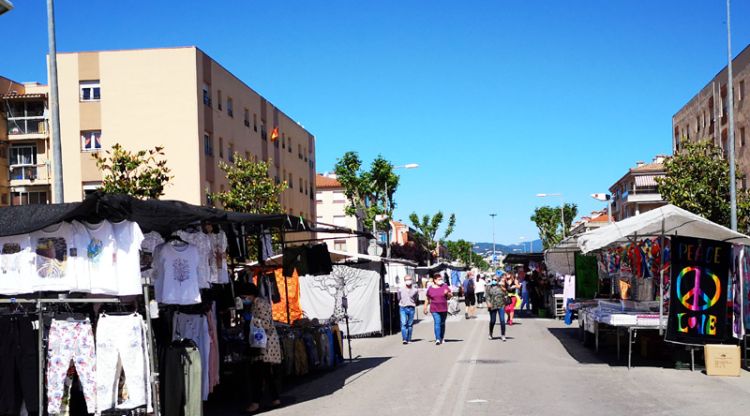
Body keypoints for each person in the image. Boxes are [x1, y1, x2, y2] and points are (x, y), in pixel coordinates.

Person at [238, 283, 283, 414]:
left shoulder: (260, 304)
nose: (243, 298)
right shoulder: (255, 304)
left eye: (244, 296)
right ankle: (275, 399)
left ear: (250, 294)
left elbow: (266, 324)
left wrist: (250, 320)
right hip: (260, 343)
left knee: (258, 373)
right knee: (265, 373)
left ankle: (256, 403)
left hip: (265, 344)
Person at [424, 273, 452, 345]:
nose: (441, 281)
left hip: (444, 308)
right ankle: (437, 339)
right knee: (437, 323)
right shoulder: (430, 288)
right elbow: (427, 299)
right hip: (434, 309)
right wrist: (425, 307)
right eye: (439, 279)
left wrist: (448, 294)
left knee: (442, 323)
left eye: (441, 279)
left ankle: (442, 337)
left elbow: (450, 296)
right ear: (435, 280)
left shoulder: (445, 286)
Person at [397, 275, 419, 344]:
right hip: (403, 307)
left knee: (410, 324)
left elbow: (416, 298)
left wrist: (413, 302)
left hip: (411, 307)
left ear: (412, 280)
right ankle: (404, 339)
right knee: (403, 323)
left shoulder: (415, 290)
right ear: (404, 281)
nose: (408, 281)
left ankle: (409, 339)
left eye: (409, 279)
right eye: (406, 279)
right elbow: (398, 298)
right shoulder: (400, 289)